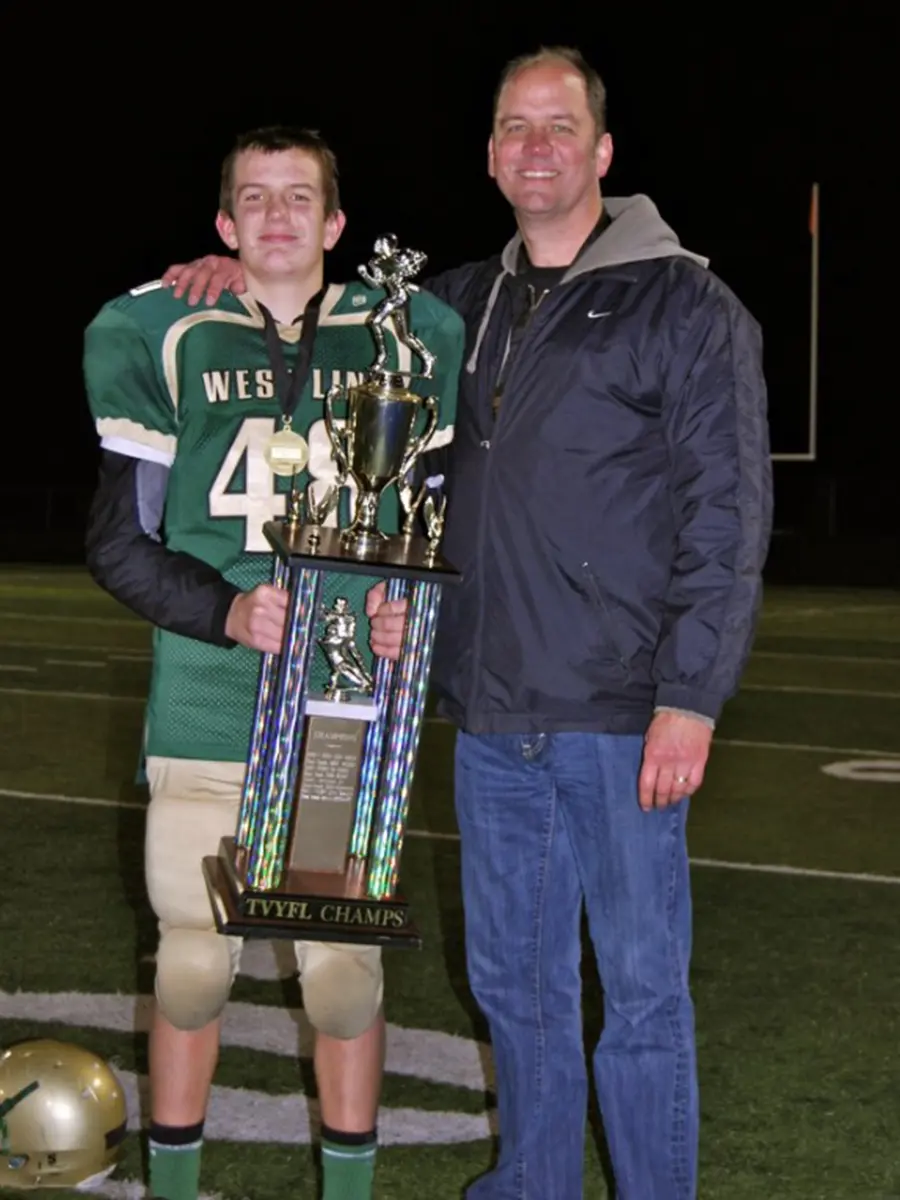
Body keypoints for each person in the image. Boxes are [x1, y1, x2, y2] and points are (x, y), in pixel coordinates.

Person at [161, 47, 773, 1200]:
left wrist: (691, 698)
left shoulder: (685, 302)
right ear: (491, 156)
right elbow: (331, 329)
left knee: (638, 995)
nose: (534, 146)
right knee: (515, 988)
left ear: (601, 151)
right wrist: (237, 272)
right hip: (486, 710)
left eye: (558, 126)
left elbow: (727, 517)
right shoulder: (451, 308)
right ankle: (532, 1183)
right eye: (513, 127)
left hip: (619, 711)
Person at [83, 125, 462, 1200]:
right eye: (256, 198)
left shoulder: (406, 335)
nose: (280, 216)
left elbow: (436, 523)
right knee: (195, 964)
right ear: (223, 225)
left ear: (338, 226)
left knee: (340, 975)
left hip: (338, 710)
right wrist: (227, 611)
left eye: (302, 198)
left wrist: (405, 613)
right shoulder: (165, 332)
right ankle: (172, 1183)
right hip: (207, 705)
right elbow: (118, 543)